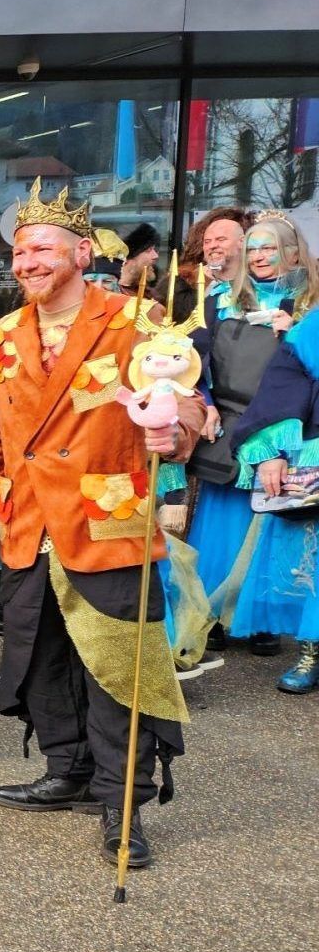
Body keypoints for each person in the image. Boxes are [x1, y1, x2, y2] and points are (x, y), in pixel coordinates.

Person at [0, 181, 202, 868]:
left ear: (80, 252)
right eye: (19, 252)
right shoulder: (2, 334)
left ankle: (121, 801)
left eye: (42, 248)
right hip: (28, 521)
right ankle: (65, 768)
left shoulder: (135, 318)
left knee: (117, 670)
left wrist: (173, 432)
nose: (27, 262)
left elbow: (187, 401)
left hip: (108, 519)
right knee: (40, 656)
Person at [175, 207, 281, 658]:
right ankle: (210, 614)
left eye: (264, 247)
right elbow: (192, 360)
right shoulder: (213, 299)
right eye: (209, 239)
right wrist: (205, 402)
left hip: (275, 422)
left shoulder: (294, 301)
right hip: (224, 426)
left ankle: (261, 619)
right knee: (219, 524)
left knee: (269, 522)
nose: (259, 255)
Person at [224, 215, 319, 691]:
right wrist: (273, 452)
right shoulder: (311, 326)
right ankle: (311, 650)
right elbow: (285, 382)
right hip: (315, 450)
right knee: (311, 560)